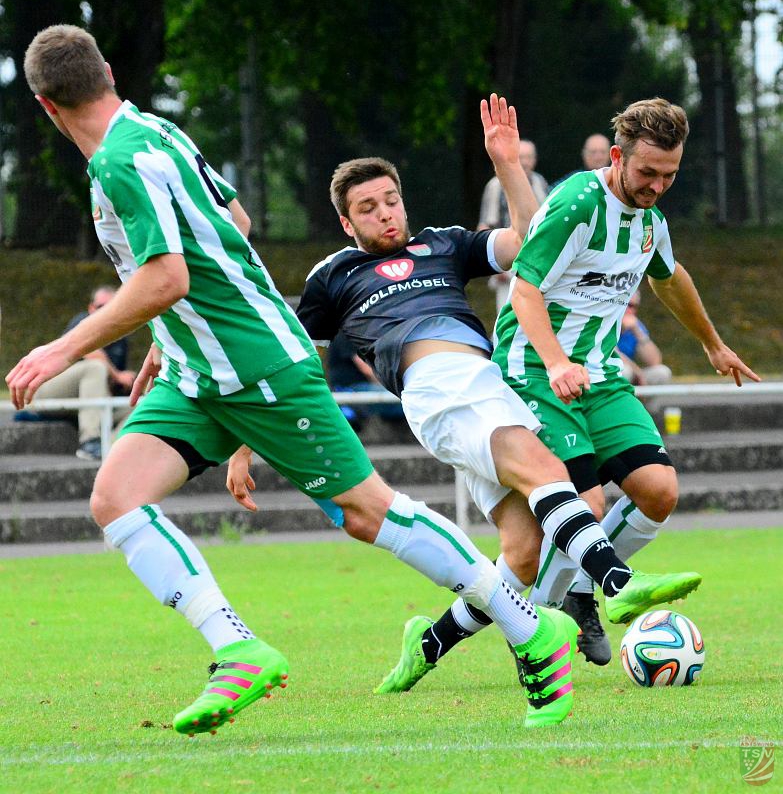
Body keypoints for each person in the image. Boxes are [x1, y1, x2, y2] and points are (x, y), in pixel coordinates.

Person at [10, 27, 580, 737]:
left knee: (366, 511)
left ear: (43, 105)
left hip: (256, 364)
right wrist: (170, 330)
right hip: (196, 369)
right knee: (116, 499)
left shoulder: (122, 164)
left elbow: (167, 275)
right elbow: (232, 223)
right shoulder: (155, 133)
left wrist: (61, 349)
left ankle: (528, 629)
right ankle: (236, 649)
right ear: (109, 73)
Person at [235, 94, 704, 702]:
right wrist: (245, 448)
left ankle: (428, 645)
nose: (385, 214)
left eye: (391, 200)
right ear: (347, 224)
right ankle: (615, 580)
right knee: (554, 477)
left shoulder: (443, 244)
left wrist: (508, 165)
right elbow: (285, 360)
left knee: (525, 552)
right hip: (436, 391)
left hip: (485, 386)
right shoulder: (334, 275)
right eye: (367, 209)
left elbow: (527, 242)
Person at [19, 284, 136, 460]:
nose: (105, 311)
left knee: (138, 403)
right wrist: (118, 375)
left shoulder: (121, 338)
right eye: (100, 307)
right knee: (96, 368)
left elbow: (113, 382)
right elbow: (90, 353)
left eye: (111, 307)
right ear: (91, 308)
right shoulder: (82, 321)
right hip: (48, 391)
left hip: (87, 402)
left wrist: (128, 382)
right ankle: (90, 441)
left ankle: (109, 448)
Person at [478, 138, 549, 311]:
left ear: (535, 159)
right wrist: (495, 265)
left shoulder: (540, 182)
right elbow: (485, 225)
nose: (525, 162)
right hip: (507, 260)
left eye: (529, 157)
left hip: (535, 258)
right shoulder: (496, 185)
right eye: (521, 157)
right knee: (507, 311)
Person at [326, 330, 405, 432]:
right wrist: (393, 384)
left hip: (364, 385)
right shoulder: (346, 333)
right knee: (404, 397)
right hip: (351, 388)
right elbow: (366, 369)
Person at [617, 289, 672, 386]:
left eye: (634, 306)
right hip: (605, 374)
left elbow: (655, 361)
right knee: (623, 370)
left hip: (632, 374)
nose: (630, 310)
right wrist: (638, 372)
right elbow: (612, 355)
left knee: (662, 372)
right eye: (627, 304)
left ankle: (641, 402)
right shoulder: (604, 322)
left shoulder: (635, 325)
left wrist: (637, 332)